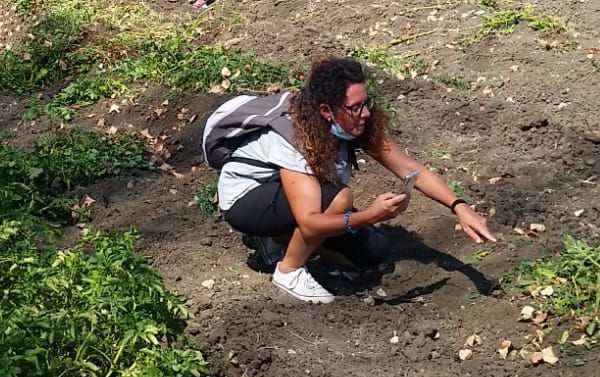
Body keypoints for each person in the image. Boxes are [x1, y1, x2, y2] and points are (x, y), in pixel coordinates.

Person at [211, 57, 495, 303]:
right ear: (326, 111)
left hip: (296, 195)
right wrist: (369, 216)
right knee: (340, 199)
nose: (366, 112)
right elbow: (310, 220)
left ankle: (282, 237)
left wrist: (459, 207)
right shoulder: (295, 137)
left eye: (366, 103)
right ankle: (289, 271)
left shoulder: (355, 124)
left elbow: (409, 168)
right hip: (247, 198)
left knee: (372, 253)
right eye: (356, 107)